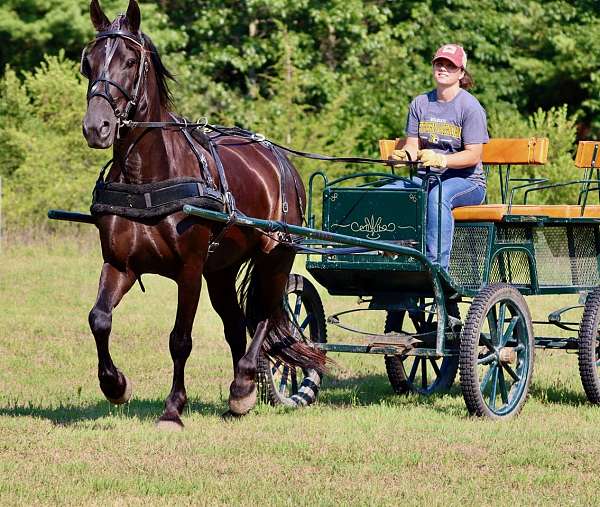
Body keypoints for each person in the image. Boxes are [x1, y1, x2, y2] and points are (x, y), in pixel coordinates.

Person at [388, 43, 488, 271]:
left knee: (438, 197)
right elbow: (413, 146)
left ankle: (436, 267)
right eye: (439, 64)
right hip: (426, 178)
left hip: (467, 182)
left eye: (450, 66)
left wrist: (443, 160)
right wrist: (403, 155)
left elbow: (473, 155)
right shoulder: (420, 103)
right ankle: (390, 252)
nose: (443, 69)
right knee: (389, 192)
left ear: (461, 73)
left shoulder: (470, 107)